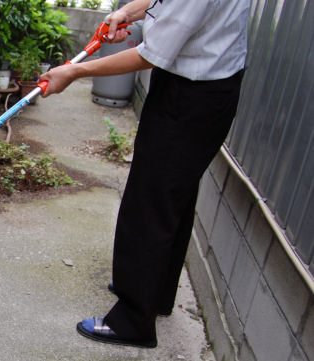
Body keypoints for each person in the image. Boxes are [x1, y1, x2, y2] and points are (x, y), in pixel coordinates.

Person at [39, 0, 250, 348]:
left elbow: (151, 54)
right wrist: (128, 12)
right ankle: (154, 292)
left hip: (192, 93)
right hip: (205, 86)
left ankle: (133, 319)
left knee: (150, 200)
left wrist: (74, 72)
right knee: (172, 195)